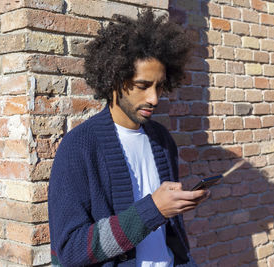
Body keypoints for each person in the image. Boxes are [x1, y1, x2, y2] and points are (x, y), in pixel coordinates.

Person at [48, 9, 209, 267]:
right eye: (143, 86)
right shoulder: (79, 147)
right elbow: (70, 249)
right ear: (115, 79)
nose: (154, 98)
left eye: (159, 86)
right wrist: (153, 210)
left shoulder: (162, 140)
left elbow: (168, 231)